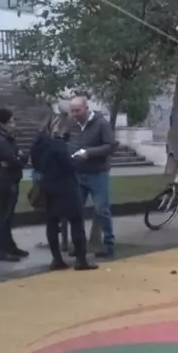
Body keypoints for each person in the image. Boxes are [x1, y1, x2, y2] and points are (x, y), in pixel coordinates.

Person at [31, 116, 97, 270]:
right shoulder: (57, 145)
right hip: (65, 187)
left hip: (47, 185)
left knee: (52, 222)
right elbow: (69, 166)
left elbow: (36, 162)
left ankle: (57, 259)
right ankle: (81, 260)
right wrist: (80, 158)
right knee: (76, 221)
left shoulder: (39, 143)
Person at [68, 96, 118, 258]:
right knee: (75, 210)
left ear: (86, 108)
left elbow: (110, 146)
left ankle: (108, 244)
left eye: (78, 110)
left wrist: (88, 153)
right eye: (72, 111)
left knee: (101, 209)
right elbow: (70, 143)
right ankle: (79, 245)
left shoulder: (101, 123)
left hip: (97, 173)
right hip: (78, 173)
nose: (75, 114)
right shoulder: (73, 125)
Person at [0, 108, 30, 262]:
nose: (13, 124)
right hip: (4, 181)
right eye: (10, 121)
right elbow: (15, 160)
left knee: (8, 216)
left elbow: (16, 157)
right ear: (1, 123)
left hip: (9, 178)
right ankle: (2, 250)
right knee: (3, 216)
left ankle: (9, 246)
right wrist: (19, 158)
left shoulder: (5, 138)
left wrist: (18, 158)